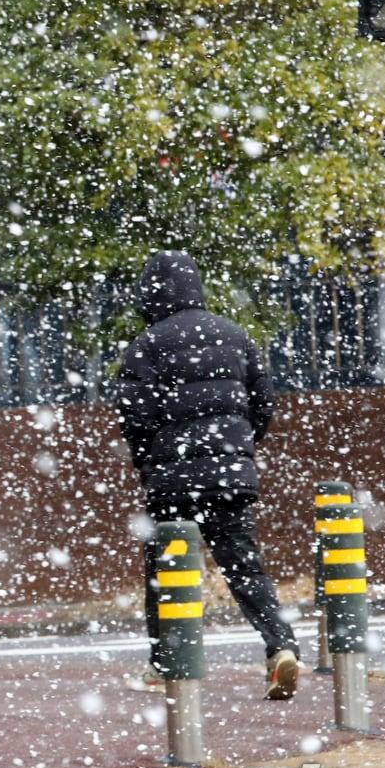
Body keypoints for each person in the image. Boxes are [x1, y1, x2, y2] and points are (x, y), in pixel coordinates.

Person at [116, 250, 301, 700]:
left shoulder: (148, 345)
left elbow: (135, 416)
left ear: (152, 293)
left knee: (166, 571)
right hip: (229, 476)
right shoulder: (235, 336)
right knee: (244, 567)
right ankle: (280, 647)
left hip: (172, 480)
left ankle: (165, 664)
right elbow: (263, 404)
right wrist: (236, 449)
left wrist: (149, 461)